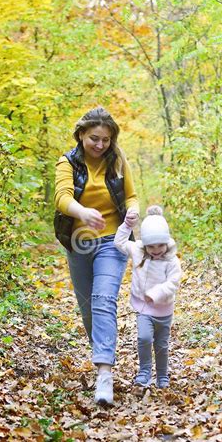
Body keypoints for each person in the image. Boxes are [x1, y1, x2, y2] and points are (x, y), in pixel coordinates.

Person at [54, 107, 139, 406]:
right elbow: (62, 197)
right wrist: (82, 212)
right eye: (94, 139)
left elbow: (130, 195)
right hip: (79, 242)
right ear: (81, 134)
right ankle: (102, 351)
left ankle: (105, 373)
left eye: (105, 140)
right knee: (89, 308)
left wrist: (134, 209)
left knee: (104, 300)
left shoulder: (117, 160)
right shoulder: (67, 162)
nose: (100, 145)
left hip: (113, 241)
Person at [114, 205, 181, 388]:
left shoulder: (171, 260)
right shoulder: (137, 251)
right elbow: (119, 242)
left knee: (161, 345)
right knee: (144, 338)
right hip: (143, 308)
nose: (156, 250)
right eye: (151, 246)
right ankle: (144, 371)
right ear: (145, 244)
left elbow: (173, 283)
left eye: (160, 245)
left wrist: (156, 293)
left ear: (166, 241)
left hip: (164, 310)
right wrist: (127, 225)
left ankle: (162, 375)